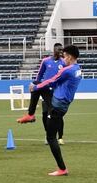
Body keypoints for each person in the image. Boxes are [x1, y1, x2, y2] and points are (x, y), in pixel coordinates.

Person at [30, 45, 82, 176]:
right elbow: (58, 82)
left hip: (57, 105)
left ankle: (62, 168)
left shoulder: (67, 70)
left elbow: (52, 80)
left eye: (64, 56)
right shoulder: (77, 69)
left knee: (50, 136)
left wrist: (35, 87)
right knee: (49, 127)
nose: (63, 59)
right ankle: (30, 114)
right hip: (62, 104)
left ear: (69, 57)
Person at [17, 43, 66, 144]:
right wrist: (35, 87)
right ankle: (32, 116)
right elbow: (39, 75)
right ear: (54, 50)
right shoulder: (46, 61)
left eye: (62, 50)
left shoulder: (64, 63)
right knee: (45, 115)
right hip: (45, 89)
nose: (60, 51)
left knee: (55, 115)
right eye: (59, 49)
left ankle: (60, 137)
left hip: (56, 92)